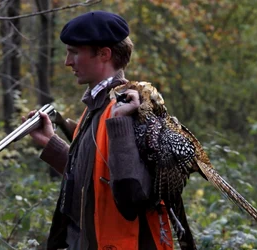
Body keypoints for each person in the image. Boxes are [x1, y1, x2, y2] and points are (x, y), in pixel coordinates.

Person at [24, 10, 174, 250]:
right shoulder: (96, 107)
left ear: (104, 54)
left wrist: (120, 123)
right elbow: (90, 180)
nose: (67, 61)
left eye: (74, 52)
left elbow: (131, 196)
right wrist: (50, 142)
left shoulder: (132, 108)